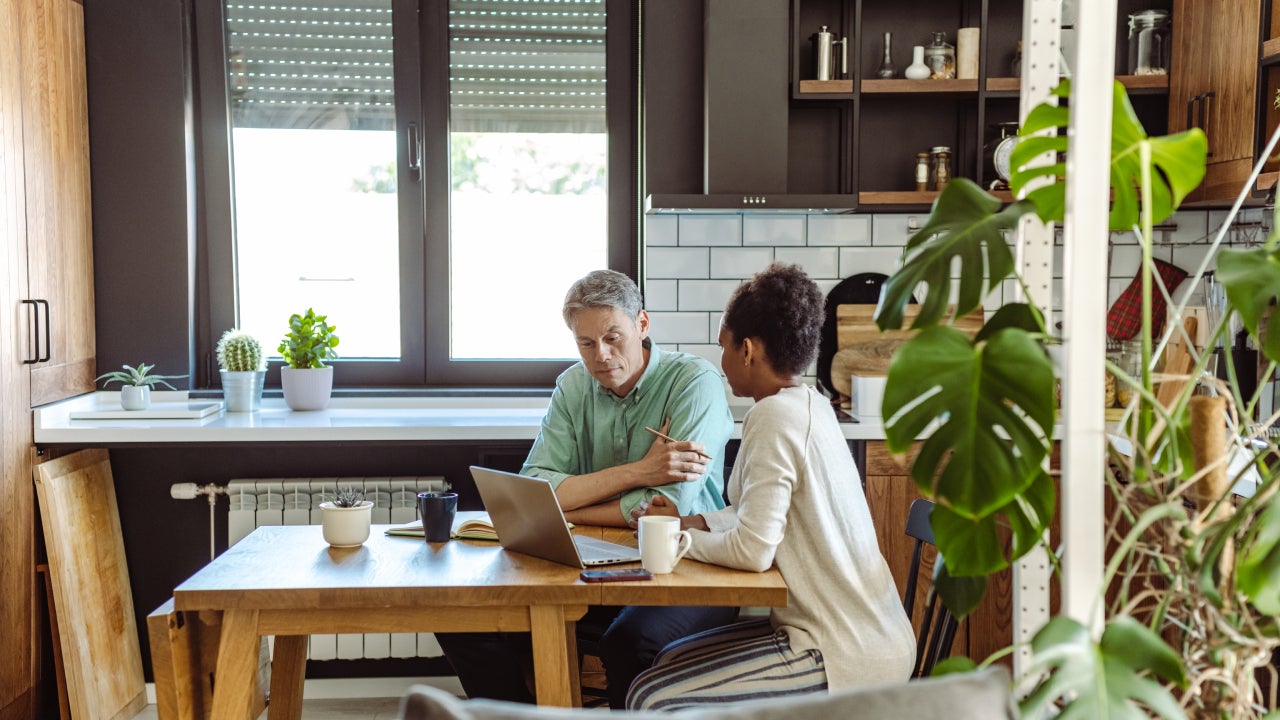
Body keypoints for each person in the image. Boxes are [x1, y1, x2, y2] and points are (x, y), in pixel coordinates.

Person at [436, 269, 738, 708]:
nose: (601, 355)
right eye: (586, 344)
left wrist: (567, 508)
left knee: (627, 642)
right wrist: (639, 471)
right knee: (464, 617)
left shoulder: (695, 384)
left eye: (614, 337)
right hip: (587, 569)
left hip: (686, 568)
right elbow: (537, 485)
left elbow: (667, 509)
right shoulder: (573, 385)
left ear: (643, 325)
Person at [626, 262, 915, 712]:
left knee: (653, 697)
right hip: (858, 631)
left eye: (722, 346)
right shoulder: (809, 405)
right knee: (664, 660)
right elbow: (751, 511)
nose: (719, 360)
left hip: (844, 648)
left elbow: (752, 549)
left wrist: (679, 539)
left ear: (747, 349)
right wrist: (690, 520)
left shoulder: (774, 417)